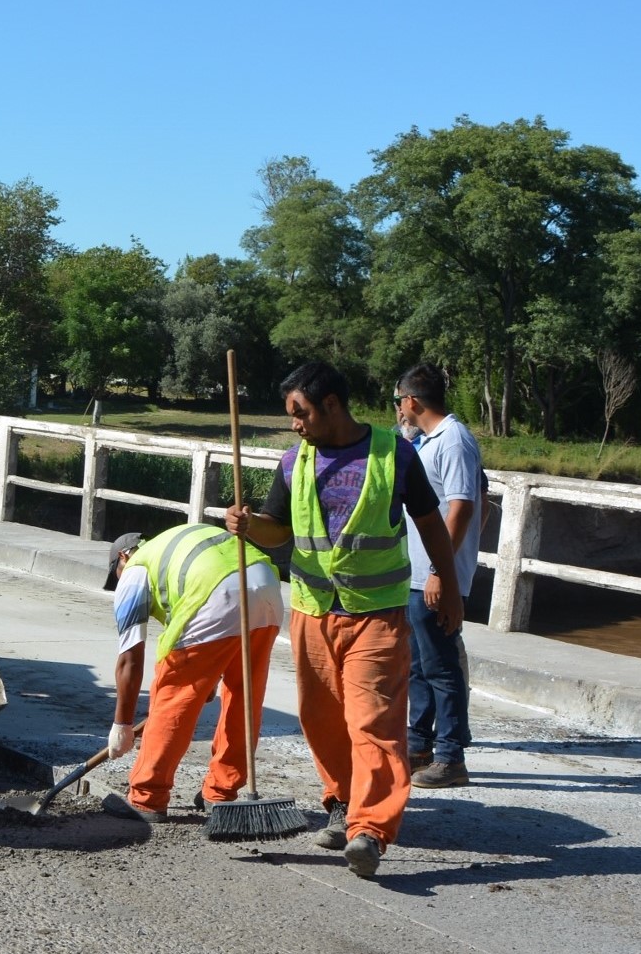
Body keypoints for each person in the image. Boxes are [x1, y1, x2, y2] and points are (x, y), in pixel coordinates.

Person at [225, 362, 466, 880]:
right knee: (322, 720)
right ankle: (341, 801)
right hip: (313, 613)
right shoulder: (293, 463)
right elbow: (278, 531)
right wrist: (249, 527)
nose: (295, 423)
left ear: (331, 404)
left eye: (300, 412)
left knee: (373, 723)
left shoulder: (394, 455)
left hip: (377, 615)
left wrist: (447, 585)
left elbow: (431, 524)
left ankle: (370, 832)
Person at [96, 523, 284, 824]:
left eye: (115, 577)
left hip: (216, 594)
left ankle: (147, 797)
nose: (118, 584)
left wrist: (122, 725)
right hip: (267, 588)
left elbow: (130, 660)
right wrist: (209, 674)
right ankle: (220, 793)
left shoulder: (134, 570)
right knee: (244, 694)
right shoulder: (178, 541)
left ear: (123, 557)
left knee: (173, 695)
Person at [395, 364, 485, 788]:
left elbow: (462, 505)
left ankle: (451, 756)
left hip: (433, 574)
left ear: (412, 400)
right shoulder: (427, 440)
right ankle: (419, 743)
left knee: (442, 666)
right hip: (416, 573)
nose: (398, 408)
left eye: (399, 401)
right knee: (418, 665)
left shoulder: (453, 439)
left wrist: (439, 571)